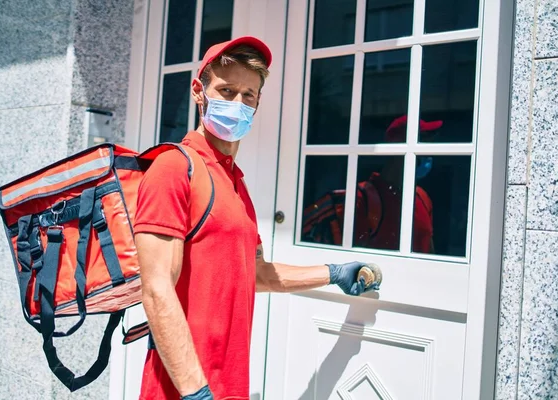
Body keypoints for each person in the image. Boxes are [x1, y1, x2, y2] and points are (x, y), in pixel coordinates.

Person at [133, 36, 378, 400]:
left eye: (248, 96)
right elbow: (156, 288)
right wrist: (194, 391)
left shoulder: (235, 183)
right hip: (182, 389)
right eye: (226, 90)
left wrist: (332, 272)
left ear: (258, 103)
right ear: (199, 91)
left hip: (229, 384)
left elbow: (259, 274)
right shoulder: (173, 168)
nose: (237, 103)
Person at [302, 115, 441, 254]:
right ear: (397, 150)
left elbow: (429, 252)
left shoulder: (422, 198)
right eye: (421, 145)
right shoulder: (360, 199)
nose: (427, 154)